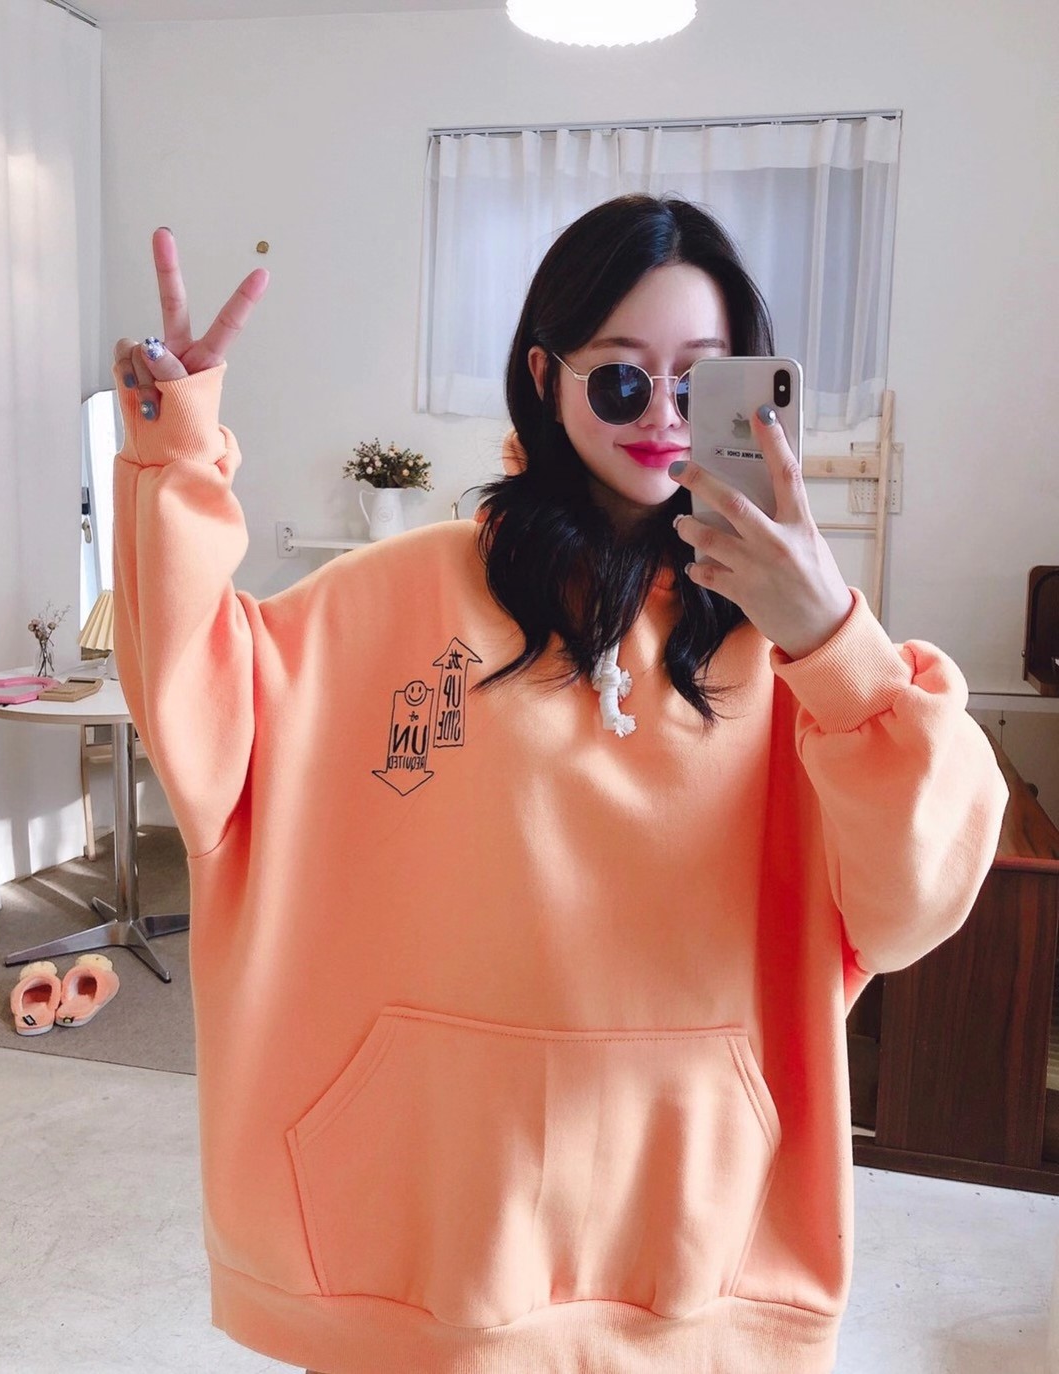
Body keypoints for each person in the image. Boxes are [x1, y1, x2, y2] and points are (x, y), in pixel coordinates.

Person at [112, 197, 1006, 1374]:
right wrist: (177, 451)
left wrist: (832, 637)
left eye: (702, 384)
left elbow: (913, 900)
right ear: (546, 376)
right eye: (622, 381)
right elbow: (205, 705)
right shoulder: (412, 589)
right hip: (429, 1251)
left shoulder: (805, 639)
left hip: (703, 1253)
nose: (665, 418)